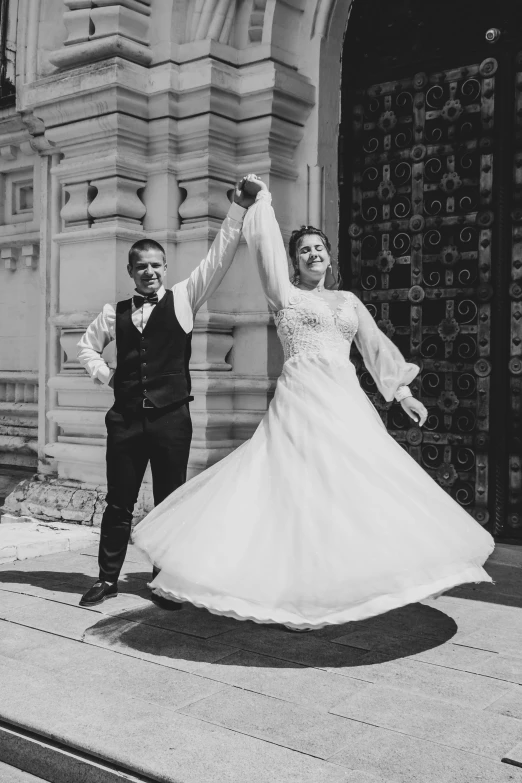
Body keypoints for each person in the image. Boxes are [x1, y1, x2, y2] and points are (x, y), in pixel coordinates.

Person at [132, 176, 494, 631]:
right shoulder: (283, 294)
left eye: (319, 247)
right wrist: (258, 202)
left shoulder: (348, 300)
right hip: (301, 398)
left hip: (344, 400)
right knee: (295, 487)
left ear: (329, 256)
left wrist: (402, 393)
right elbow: (262, 245)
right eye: (304, 249)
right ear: (294, 261)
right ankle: (289, 584)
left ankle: (349, 577)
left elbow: (373, 346)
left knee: (355, 484)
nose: (313, 254)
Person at [76, 179, 258, 608]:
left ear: (164, 268)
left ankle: (165, 579)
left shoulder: (182, 300)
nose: (151, 272)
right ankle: (107, 579)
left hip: (171, 417)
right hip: (124, 420)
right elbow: (85, 347)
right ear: (131, 271)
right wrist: (107, 376)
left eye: (157, 265)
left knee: (170, 501)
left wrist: (238, 210)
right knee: (118, 500)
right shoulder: (113, 313)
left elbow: (217, 260)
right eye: (142, 266)